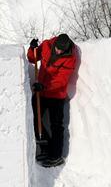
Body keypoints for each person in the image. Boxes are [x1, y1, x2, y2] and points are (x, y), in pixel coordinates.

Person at [27, 33, 77, 167]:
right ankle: (44, 147)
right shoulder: (47, 45)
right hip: (41, 93)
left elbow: (61, 81)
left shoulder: (70, 58)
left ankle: (56, 156)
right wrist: (32, 48)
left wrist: (44, 86)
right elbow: (32, 58)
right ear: (55, 44)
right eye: (57, 49)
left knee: (56, 125)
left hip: (56, 95)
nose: (59, 51)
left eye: (62, 50)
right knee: (34, 118)